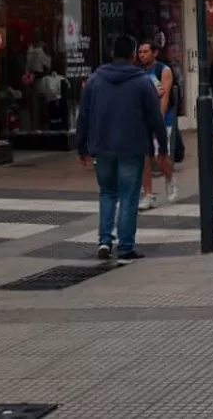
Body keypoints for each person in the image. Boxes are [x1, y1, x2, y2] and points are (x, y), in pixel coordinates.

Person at [77, 35, 167, 262]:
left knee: (107, 193)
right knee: (128, 196)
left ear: (111, 54)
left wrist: (82, 147)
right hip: (132, 146)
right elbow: (155, 117)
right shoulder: (141, 81)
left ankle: (104, 241)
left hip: (102, 146)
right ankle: (125, 247)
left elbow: (84, 116)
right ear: (132, 55)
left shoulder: (95, 80)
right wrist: (162, 146)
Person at [136, 41, 178, 211]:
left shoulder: (163, 70)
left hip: (162, 120)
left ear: (154, 53)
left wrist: (158, 119)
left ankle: (169, 180)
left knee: (161, 156)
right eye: (139, 52)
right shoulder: (138, 72)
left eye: (145, 51)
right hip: (142, 120)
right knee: (145, 157)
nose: (142, 55)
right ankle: (148, 194)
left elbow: (165, 96)